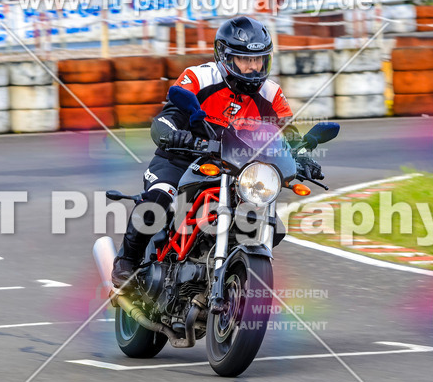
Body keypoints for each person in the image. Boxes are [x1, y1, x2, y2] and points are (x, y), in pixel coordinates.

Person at [111, 15, 322, 288]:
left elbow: (288, 137)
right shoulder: (198, 77)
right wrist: (175, 135)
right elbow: (165, 120)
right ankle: (127, 260)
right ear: (225, 56)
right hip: (182, 158)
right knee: (159, 197)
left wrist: (302, 157)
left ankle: (230, 276)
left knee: (272, 225)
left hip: (238, 169)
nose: (253, 67)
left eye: (258, 60)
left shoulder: (271, 94)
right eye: (245, 60)